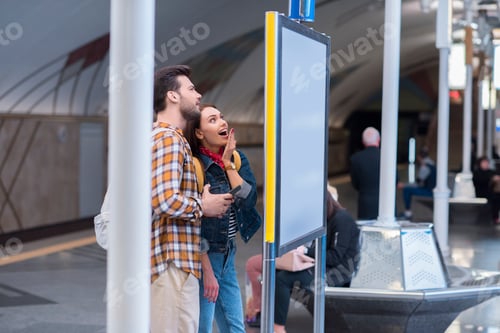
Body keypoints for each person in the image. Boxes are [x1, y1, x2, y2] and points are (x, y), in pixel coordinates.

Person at [150, 65, 233, 333]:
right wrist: (203, 206)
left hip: (176, 262)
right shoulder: (168, 139)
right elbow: (164, 200)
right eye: (191, 89)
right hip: (170, 264)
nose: (197, 95)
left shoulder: (170, 138)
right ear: (173, 96)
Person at [185, 104, 262, 333]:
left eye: (221, 117)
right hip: (204, 258)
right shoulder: (195, 165)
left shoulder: (237, 159)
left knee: (235, 328)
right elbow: (191, 223)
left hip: (228, 252)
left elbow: (248, 200)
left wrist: (228, 164)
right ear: (199, 133)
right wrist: (207, 271)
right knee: (202, 327)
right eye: (212, 120)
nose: (222, 122)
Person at [244, 189, 360, 332]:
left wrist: (305, 252)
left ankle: (278, 327)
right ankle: (273, 321)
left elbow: (335, 257)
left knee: (282, 279)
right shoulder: (328, 220)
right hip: (324, 265)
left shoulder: (341, 220)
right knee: (278, 274)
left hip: (338, 271)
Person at [349, 127, 381, 220]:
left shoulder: (355, 158)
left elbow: (355, 184)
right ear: (379, 139)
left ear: (363, 142)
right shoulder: (388, 157)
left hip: (365, 205)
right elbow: (395, 181)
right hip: (387, 205)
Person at [398, 146, 436, 220]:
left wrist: (403, 185)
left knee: (407, 190)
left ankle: (407, 213)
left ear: (419, 157)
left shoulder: (425, 167)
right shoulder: (432, 163)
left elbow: (417, 184)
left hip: (430, 191)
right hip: (432, 189)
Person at [472, 156, 500, 224]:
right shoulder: (477, 173)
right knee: (495, 199)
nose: (486, 164)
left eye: (487, 162)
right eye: (484, 162)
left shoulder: (491, 171)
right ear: (480, 164)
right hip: (481, 193)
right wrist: (491, 179)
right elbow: (479, 182)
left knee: (497, 197)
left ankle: (495, 217)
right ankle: (495, 217)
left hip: (492, 193)